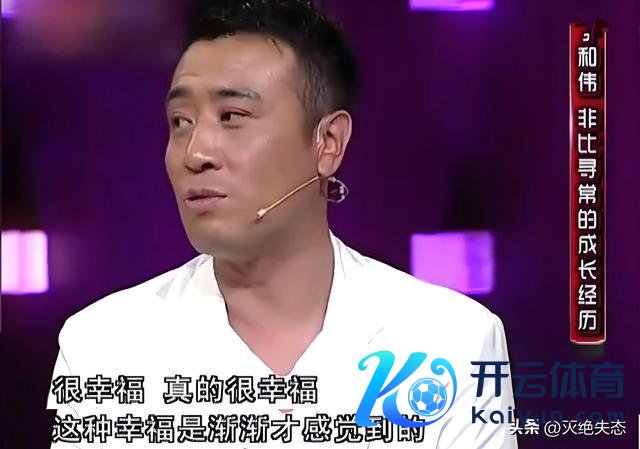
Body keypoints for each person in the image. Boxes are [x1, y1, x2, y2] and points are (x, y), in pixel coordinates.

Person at [47, 1, 517, 447]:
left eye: (232, 116)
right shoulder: (103, 349)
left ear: (328, 143)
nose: (196, 153)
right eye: (180, 121)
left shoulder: (452, 341)